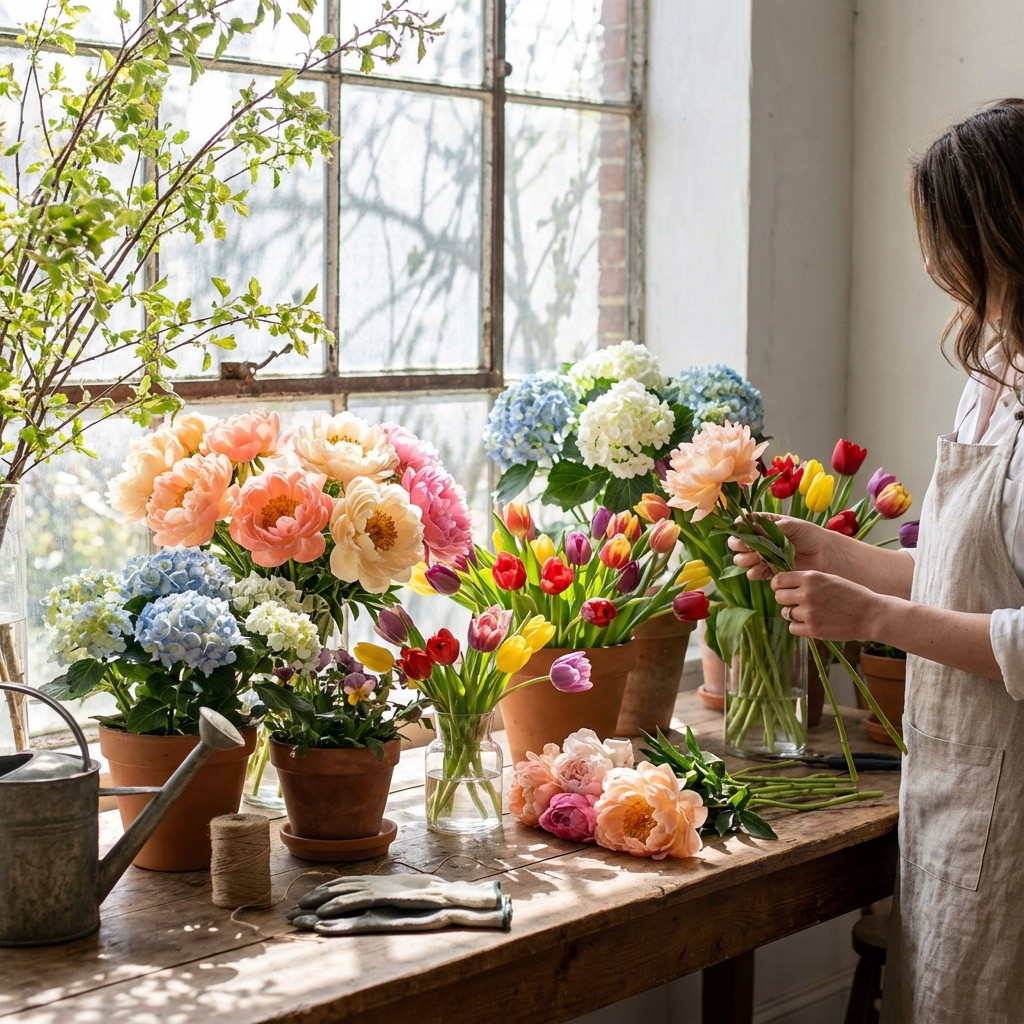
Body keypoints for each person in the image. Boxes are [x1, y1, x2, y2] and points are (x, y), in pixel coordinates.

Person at [730, 98, 1023, 1024]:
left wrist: (875, 620)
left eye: (944, 240)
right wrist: (841, 556)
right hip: (953, 785)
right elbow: (965, 570)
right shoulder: (992, 376)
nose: (935, 265)